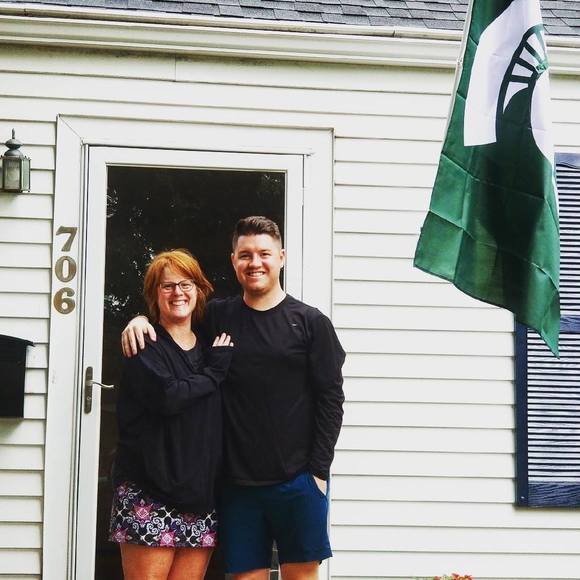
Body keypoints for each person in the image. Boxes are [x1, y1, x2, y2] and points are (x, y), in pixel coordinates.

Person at [121, 217, 346, 580]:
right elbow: (175, 317)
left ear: (281, 257)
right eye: (245, 255)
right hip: (237, 486)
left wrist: (318, 471)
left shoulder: (310, 323)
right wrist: (138, 320)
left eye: (264, 254)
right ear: (233, 261)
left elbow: (331, 399)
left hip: (297, 480)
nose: (255, 262)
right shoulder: (217, 316)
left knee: (301, 575)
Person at [110, 249, 234, 580]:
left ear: (199, 290)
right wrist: (213, 374)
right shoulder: (144, 343)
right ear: (155, 295)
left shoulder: (211, 345)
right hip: (149, 492)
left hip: (200, 497)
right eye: (167, 286)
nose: (177, 292)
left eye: (186, 284)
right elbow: (168, 397)